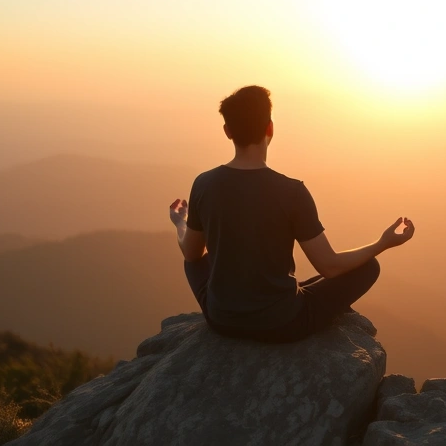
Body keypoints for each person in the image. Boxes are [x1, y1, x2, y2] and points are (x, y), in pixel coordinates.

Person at [167, 85, 415, 343]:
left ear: (227, 131)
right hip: (282, 324)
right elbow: (329, 266)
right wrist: (382, 243)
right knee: (368, 266)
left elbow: (191, 254)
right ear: (270, 128)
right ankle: (288, 294)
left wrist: (180, 223)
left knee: (195, 262)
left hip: (222, 320)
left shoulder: (204, 184)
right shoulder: (292, 192)